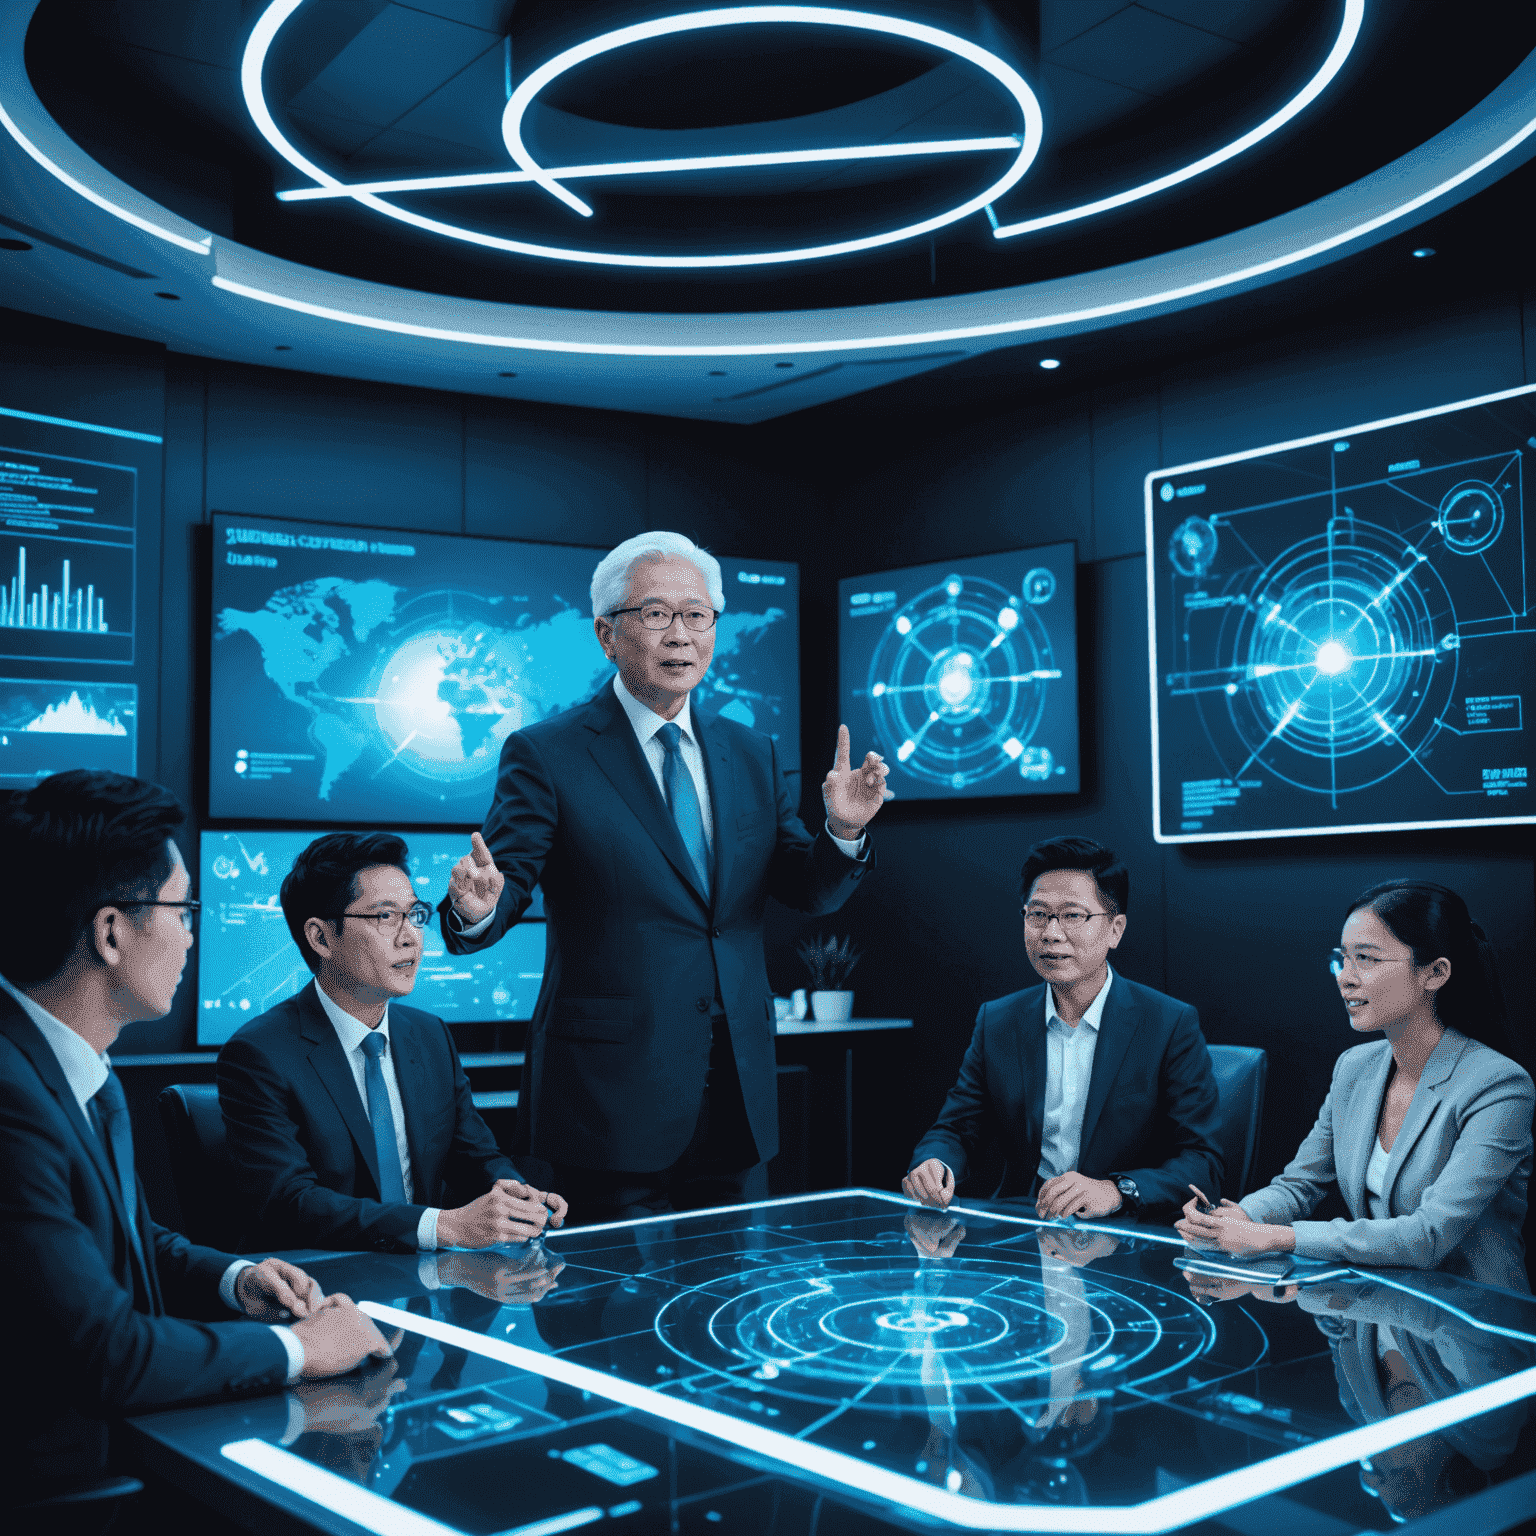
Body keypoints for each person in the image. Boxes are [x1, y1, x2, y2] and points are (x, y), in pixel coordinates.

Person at [440, 531, 890, 1222]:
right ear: (607, 635)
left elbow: (807, 888)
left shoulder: (752, 752)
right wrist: (477, 909)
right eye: (655, 615)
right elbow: (507, 884)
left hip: (735, 1093)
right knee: (597, 1309)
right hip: (605, 1101)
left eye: (697, 614)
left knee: (728, 1307)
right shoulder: (547, 754)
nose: (680, 635)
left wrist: (845, 832)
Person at [0, 772, 394, 1501]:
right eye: (183, 909)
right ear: (111, 932)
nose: (191, 933)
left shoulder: (72, 1066)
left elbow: (132, 1239)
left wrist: (235, 1278)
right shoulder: (12, 1098)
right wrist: (299, 1348)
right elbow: (110, 1355)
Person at [217, 833, 566, 1253]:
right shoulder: (259, 1054)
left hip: (428, 1285)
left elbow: (475, 1156)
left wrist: (517, 1198)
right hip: (322, 1288)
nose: (411, 937)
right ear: (321, 938)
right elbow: (291, 1203)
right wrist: (442, 1226)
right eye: (386, 917)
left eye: (415, 914)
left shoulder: (430, 1035)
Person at [1177, 880, 1533, 1287]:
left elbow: (1428, 1237)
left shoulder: (1500, 1086)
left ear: (1435, 973)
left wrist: (1275, 1237)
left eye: (1366, 959)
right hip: (1378, 1311)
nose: (1345, 978)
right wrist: (1239, 1217)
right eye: (1343, 959)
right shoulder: (1355, 1067)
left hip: (1473, 1326)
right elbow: (1299, 1185)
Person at [905, 836, 1223, 1219]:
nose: (1051, 933)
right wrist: (935, 1164)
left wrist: (1116, 1190)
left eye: (1073, 916)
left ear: (1115, 930)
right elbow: (956, 1130)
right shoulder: (999, 1021)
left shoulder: (1168, 1024)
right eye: (1037, 914)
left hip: (1127, 1236)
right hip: (1027, 1226)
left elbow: (1203, 1162)